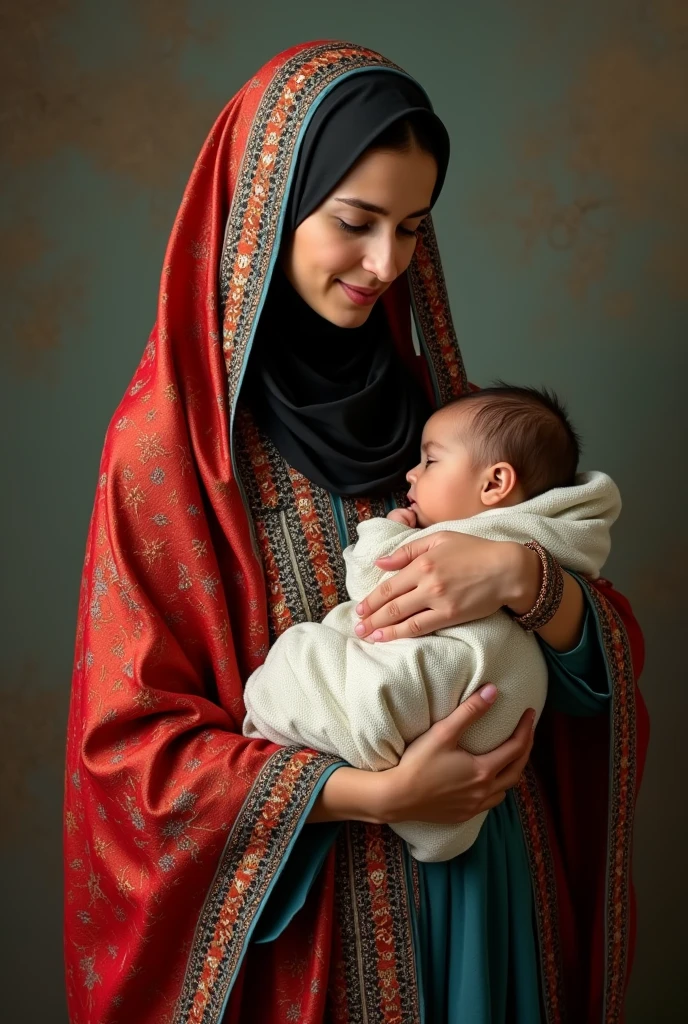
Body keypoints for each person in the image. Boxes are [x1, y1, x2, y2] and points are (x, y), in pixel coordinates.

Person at [63, 42, 648, 1024]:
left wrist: (519, 576)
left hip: (487, 907)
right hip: (309, 938)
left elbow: (598, 665)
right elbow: (131, 755)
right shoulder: (169, 453)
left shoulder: (438, 417)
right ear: (269, 206)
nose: (386, 264)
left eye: (412, 228)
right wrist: (368, 794)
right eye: (354, 221)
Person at [242, 387, 621, 863]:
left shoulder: (467, 457)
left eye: (429, 461)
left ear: (495, 484)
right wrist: (382, 795)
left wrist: (518, 574)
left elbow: (371, 580)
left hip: (488, 822)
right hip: (373, 839)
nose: (412, 473)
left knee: (302, 656)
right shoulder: (550, 525)